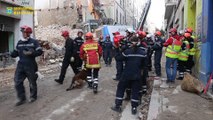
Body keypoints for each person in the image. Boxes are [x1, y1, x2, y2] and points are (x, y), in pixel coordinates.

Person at [111, 36, 147, 115]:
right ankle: (134, 108)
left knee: (121, 88)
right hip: (137, 75)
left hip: (126, 74)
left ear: (130, 42)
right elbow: (145, 65)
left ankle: (118, 106)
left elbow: (118, 59)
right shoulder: (143, 53)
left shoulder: (127, 52)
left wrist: (117, 49)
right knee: (135, 91)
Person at [10, 25, 43, 106]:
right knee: (17, 82)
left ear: (29, 33)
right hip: (21, 66)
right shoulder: (19, 42)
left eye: (25, 32)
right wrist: (11, 54)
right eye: (23, 32)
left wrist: (32, 53)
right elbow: (16, 53)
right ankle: (22, 98)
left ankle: (33, 96)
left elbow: (40, 51)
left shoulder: (34, 42)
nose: (24, 34)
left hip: (31, 65)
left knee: (32, 82)